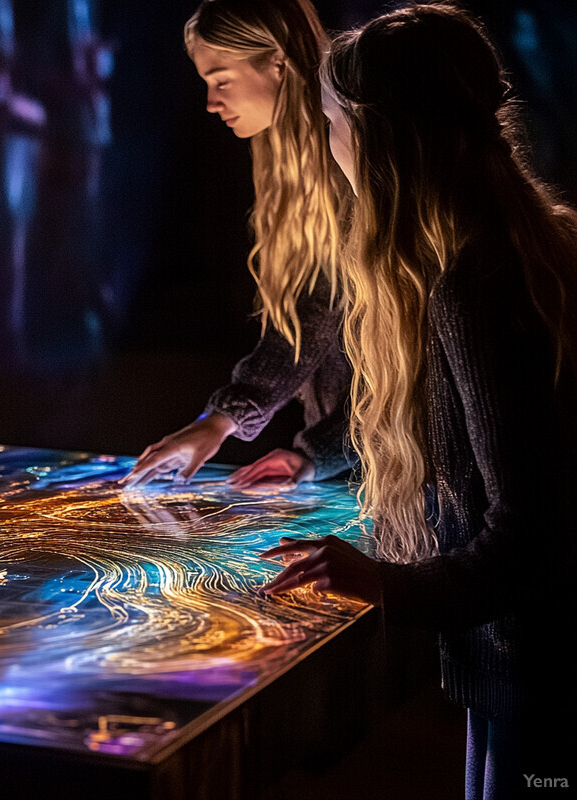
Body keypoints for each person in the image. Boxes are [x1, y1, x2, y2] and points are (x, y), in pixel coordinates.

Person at [258, 3, 577, 797]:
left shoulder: (476, 285)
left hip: (539, 674)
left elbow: (528, 532)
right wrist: (307, 455)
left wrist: (383, 584)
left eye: (330, 122)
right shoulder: (521, 244)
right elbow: (461, 429)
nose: (326, 145)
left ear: (377, 133)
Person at [120, 0, 355, 489]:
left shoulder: (351, 161)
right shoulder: (286, 165)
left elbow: (319, 305)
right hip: (371, 465)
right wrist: (316, 458)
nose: (210, 102)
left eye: (221, 79)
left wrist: (223, 418)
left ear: (277, 61)